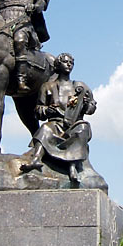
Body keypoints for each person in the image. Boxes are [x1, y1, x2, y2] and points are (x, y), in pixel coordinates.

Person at [20, 53, 96, 182]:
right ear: (57, 65)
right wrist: (47, 110)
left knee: (83, 128)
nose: (69, 64)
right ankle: (36, 159)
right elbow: (38, 110)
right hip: (55, 123)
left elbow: (91, 108)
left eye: (71, 63)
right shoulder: (47, 86)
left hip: (74, 124)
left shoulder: (80, 86)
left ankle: (72, 166)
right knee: (45, 129)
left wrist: (87, 104)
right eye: (65, 62)